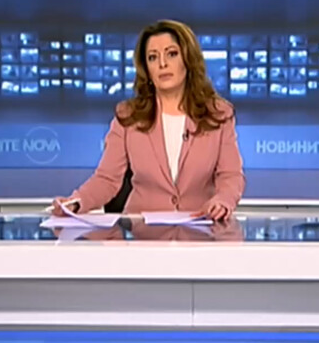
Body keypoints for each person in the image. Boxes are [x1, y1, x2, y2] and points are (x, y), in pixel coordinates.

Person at [53, 19, 244, 221]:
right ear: (146, 68)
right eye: (153, 57)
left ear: (188, 59)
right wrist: (76, 202)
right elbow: (107, 179)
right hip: (142, 232)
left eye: (172, 54)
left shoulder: (218, 115)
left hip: (200, 228)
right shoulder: (128, 116)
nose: (162, 64)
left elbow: (230, 175)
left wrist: (223, 201)